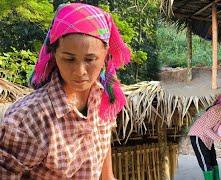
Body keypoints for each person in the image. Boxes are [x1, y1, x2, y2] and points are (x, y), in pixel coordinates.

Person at [0, 3, 130, 179]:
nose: (80, 71)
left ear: (106, 54)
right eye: (69, 59)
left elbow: (103, 148)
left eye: (90, 59)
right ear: (54, 53)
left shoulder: (105, 99)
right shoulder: (28, 120)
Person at [188, 93, 221, 180]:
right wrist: (220, 139)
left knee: (213, 161)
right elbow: (206, 129)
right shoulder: (217, 110)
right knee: (206, 164)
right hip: (198, 136)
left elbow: (216, 127)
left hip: (208, 138)